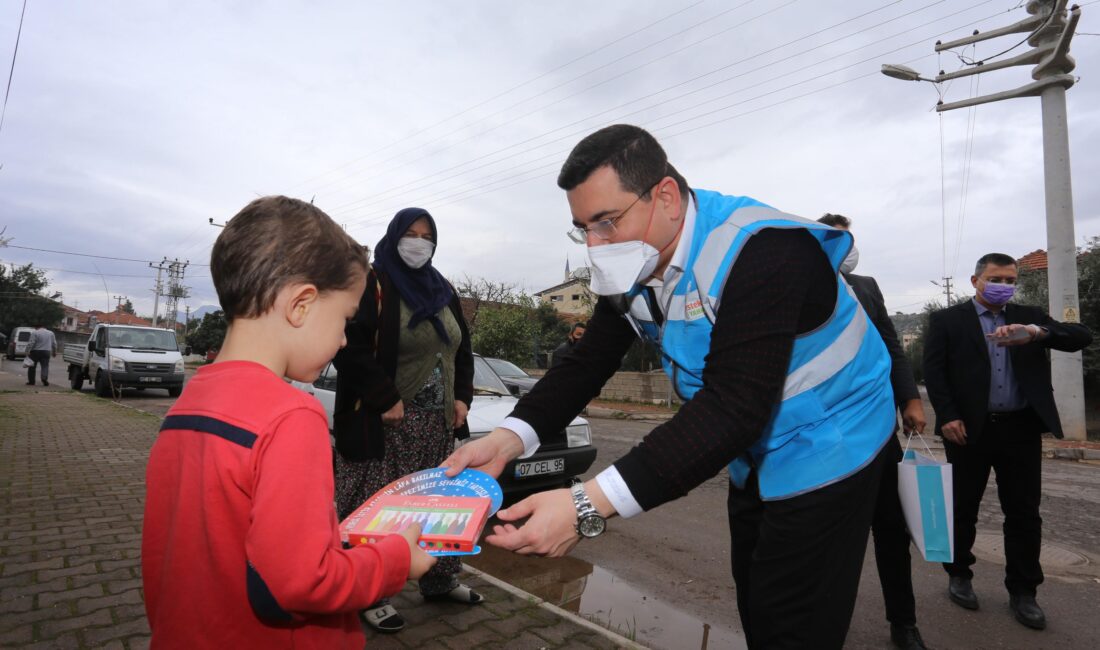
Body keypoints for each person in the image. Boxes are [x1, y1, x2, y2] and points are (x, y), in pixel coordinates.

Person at [444, 124, 897, 648]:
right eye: (582, 229)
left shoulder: (765, 252)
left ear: (666, 197)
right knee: (755, 593)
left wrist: (585, 505)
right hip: (754, 449)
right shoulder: (636, 263)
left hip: (833, 442)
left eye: (606, 222)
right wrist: (510, 438)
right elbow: (587, 362)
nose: (595, 246)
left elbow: (733, 406)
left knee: (792, 617)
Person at [141, 196, 435, 648]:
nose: (342, 340)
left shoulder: (190, 400)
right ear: (301, 304)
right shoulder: (292, 416)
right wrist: (396, 559)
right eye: (344, 319)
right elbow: (303, 581)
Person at [923, 252, 1092, 631]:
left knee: (1023, 512)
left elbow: (1081, 336)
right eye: (996, 279)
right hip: (967, 430)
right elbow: (934, 372)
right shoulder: (948, 321)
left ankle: (1023, 591)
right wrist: (948, 415)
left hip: (1020, 429)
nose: (1003, 286)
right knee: (962, 507)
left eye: (1010, 280)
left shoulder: (1029, 316)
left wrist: (1038, 333)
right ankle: (960, 574)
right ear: (975, 280)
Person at [332, 207, 479, 633]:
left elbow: (461, 349)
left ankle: (439, 580)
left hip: (435, 424)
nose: (418, 242)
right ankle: (370, 592)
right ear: (394, 236)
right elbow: (349, 346)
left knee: (435, 509)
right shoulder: (374, 284)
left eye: (426, 235)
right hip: (386, 423)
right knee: (380, 508)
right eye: (410, 233)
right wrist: (382, 396)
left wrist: (462, 398)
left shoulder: (442, 289)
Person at [819, 213, 927, 650]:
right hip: (826, 434)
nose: (847, 248)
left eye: (850, 240)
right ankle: (823, 627)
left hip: (880, 430)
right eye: (836, 240)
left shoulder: (866, 287)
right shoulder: (798, 285)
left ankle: (904, 622)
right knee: (829, 536)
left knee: (891, 529)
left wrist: (911, 399)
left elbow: (891, 346)